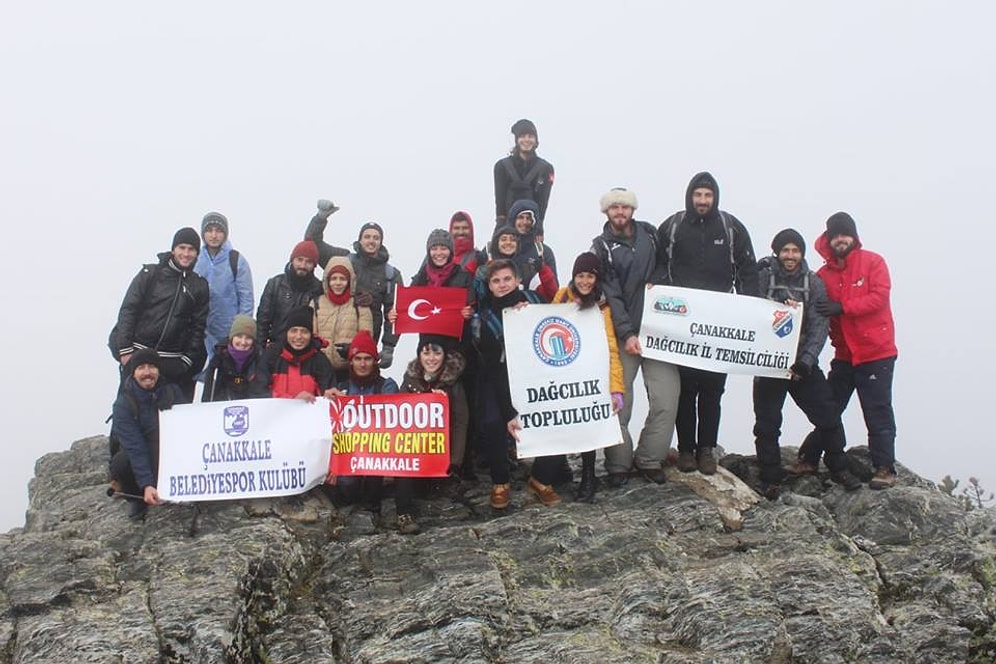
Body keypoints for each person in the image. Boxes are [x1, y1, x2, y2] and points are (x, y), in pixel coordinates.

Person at [655, 172, 759, 475]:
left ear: (715, 198)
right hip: (682, 324)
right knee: (686, 390)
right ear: (690, 196)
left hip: (720, 325)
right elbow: (659, 265)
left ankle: (707, 450)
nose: (702, 201)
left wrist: (749, 309)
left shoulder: (730, 227)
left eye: (708, 196)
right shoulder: (673, 226)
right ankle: (686, 449)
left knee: (713, 391)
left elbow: (747, 269)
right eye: (698, 195)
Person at [752, 230, 861, 497]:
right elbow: (748, 307)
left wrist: (806, 361)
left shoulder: (814, 283)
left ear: (802, 253)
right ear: (777, 252)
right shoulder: (763, 278)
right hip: (769, 363)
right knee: (767, 423)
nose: (790, 256)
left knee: (828, 415)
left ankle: (838, 466)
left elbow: (819, 326)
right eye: (785, 251)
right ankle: (770, 477)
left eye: (795, 251)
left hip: (802, 364)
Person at [796, 212, 899, 489]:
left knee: (877, 411)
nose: (840, 239)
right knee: (828, 408)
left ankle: (884, 468)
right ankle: (808, 456)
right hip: (844, 355)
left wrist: (843, 307)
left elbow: (879, 297)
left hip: (876, 353)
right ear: (829, 240)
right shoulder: (822, 276)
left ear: (854, 237)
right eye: (835, 235)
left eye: (845, 234)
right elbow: (810, 308)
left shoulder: (873, 262)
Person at [590, 188, 680, 486]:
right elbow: (611, 293)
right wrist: (627, 333)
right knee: (618, 403)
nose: (619, 212)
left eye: (624, 207)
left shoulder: (651, 235)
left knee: (666, 399)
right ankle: (618, 463)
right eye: (613, 207)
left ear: (632, 210)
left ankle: (649, 457)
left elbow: (666, 267)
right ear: (606, 212)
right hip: (622, 336)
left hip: (659, 334)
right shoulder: (601, 247)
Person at [474, 260, 561, 508]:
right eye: (496, 281)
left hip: (539, 376)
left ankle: (541, 479)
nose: (502, 285)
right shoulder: (485, 317)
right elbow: (493, 367)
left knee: (561, 416)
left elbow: (564, 313)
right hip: (500, 378)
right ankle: (500, 482)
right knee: (493, 422)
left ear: (517, 280)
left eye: (507, 279)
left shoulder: (534, 301)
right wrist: (510, 412)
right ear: (489, 286)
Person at [550, 252, 626, 502]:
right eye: (580, 276)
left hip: (590, 372)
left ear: (597, 277)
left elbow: (611, 347)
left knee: (588, 424)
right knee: (563, 420)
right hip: (563, 368)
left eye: (590, 276)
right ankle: (560, 467)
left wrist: (616, 389)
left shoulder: (602, 305)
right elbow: (544, 324)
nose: (585, 281)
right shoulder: (562, 296)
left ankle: (589, 476)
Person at [108, 227, 210, 403]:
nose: (186, 253)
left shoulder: (199, 286)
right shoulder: (150, 274)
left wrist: (186, 361)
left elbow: (198, 328)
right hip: (137, 355)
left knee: (165, 422)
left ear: (197, 253)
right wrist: (125, 351)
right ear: (173, 250)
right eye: (182, 248)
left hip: (170, 363)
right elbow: (128, 311)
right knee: (129, 412)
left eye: (191, 249)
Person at [304, 201, 402, 368]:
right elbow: (312, 244)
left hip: (367, 343)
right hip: (332, 334)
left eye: (376, 238)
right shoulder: (344, 260)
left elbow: (394, 313)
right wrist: (321, 217)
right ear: (360, 240)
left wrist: (388, 347)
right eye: (367, 237)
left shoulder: (391, 274)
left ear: (381, 242)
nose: (371, 241)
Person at [325, 332, 408, 529]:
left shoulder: (386, 386)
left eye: (368, 359)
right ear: (351, 361)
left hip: (378, 455)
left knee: (374, 475)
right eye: (358, 359)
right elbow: (331, 429)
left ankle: (374, 507)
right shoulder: (341, 388)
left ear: (375, 361)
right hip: (350, 456)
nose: (363, 364)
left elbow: (396, 425)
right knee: (344, 487)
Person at [108, 348, 183, 520]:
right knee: (121, 463)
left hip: (170, 454)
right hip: (143, 455)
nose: (147, 372)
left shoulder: (173, 392)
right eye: (141, 368)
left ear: (159, 370)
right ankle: (137, 497)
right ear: (133, 372)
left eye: (152, 367)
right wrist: (147, 484)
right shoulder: (123, 404)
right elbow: (135, 447)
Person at [399, 335, 470, 502]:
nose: (431, 358)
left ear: (444, 355)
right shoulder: (409, 380)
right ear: (419, 356)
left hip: (444, 454)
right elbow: (400, 416)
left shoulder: (454, 384)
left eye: (437, 353)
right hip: (416, 451)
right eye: (426, 353)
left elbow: (461, 422)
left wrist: (454, 463)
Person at [193, 212, 254, 375]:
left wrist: (240, 334)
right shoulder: (195, 259)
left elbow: (246, 298)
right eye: (209, 230)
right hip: (200, 332)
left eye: (218, 230)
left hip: (228, 334)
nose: (214, 235)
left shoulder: (236, 260)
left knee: (227, 381)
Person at [313, 256, 374, 385]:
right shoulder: (316, 303)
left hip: (350, 370)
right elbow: (311, 335)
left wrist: (353, 349)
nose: (338, 283)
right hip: (321, 370)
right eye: (334, 278)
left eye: (342, 279)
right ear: (327, 281)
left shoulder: (360, 304)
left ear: (349, 281)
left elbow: (366, 337)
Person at [256, 240, 323, 348]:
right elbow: (263, 321)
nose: (303, 265)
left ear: (314, 265)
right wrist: (260, 351)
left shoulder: (319, 289)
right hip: (276, 349)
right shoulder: (275, 284)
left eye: (308, 262)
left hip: (304, 351)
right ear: (292, 260)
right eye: (299, 260)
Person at [493, 119, 555, 231]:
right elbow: (500, 200)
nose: (527, 140)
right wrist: (500, 226)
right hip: (506, 227)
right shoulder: (501, 166)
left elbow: (543, 202)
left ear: (536, 140)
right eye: (522, 136)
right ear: (517, 140)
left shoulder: (546, 169)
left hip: (531, 225)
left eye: (530, 136)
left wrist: (539, 226)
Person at [265, 305, 336, 401]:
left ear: (311, 335)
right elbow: (259, 392)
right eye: (294, 331)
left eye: (304, 332)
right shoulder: (271, 357)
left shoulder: (320, 360)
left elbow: (327, 392)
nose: (298, 336)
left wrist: (328, 395)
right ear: (287, 333)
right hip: (276, 414)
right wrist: (293, 400)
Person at [479, 224, 558, 302]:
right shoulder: (484, 270)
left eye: (513, 239)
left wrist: (543, 270)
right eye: (503, 239)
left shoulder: (529, 270)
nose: (508, 242)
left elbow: (551, 295)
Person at [201, 315, 271, 402]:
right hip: (223, 407)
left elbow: (261, 391)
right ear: (232, 337)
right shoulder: (219, 358)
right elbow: (209, 393)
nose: (243, 342)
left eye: (248, 338)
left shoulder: (260, 358)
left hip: (251, 407)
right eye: (239, 336)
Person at [508, 198, 559, 287]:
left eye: (528, 218)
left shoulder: (544, 252)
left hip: (534, 299)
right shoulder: (499, 247)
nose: (524, 222)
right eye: (520, 217)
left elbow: (554, 288)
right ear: (513, 220)